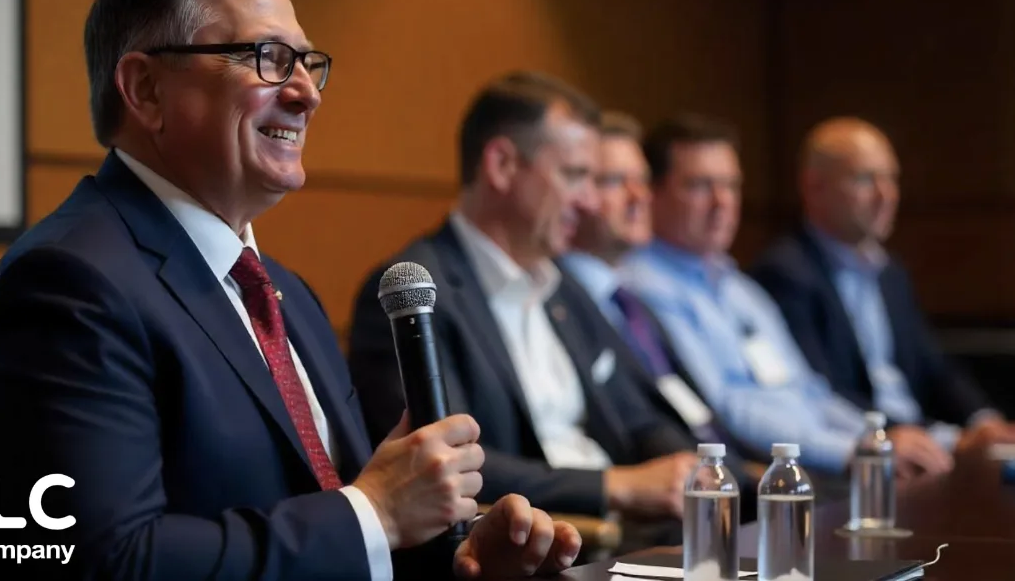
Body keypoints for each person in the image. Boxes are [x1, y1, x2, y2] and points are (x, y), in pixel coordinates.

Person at [0, 0, 581, 581]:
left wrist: (455, 558)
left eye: (306, 62)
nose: (307, 94)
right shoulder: (69, 285)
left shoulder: (286, 294)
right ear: (146, 89)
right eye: (269, 59)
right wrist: (375, 514)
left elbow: (345, 521)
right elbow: (106, 563)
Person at [346, 73, 700, 540]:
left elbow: (637, 414)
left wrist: (692, 470)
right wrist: (615, 487)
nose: (589, 201)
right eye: (574, 176)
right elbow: (442, 465)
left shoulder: (564, 286)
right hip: (540, 546)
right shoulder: (415, 294)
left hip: (638, 533)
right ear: (503, 165)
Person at [621, 114, 953, 483]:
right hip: (774, 475)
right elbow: (728, 408)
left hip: (823, 461)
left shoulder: (740, 288)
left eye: (731, 185)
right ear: (654, 193)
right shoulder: (643, 288)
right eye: (699, 186)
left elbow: (808, 390)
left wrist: (876, 440)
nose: (722, 202)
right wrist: (850, 452)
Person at [749, 116, 1015, 454]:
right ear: (814, 187)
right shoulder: (785, 273)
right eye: (865, 179)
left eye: (891, 178)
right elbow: (819, 395)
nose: (885, 195)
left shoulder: (891, 271)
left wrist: (983, 421)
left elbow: (935, 368)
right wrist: (944, 438)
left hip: (924, 439)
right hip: (871, 449)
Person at [560, 112, 762, 474]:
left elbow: (688, 408)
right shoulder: (560, 300)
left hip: (709, 475)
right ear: (575, 194)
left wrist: (742, 473)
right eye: (615, 181)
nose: (640, 196)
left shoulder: (628, 302)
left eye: (641, 180)